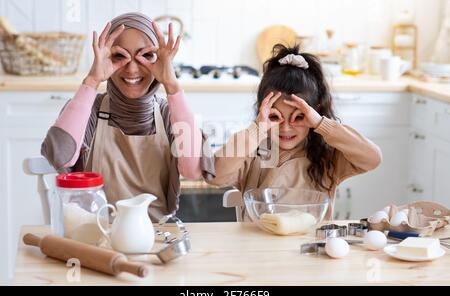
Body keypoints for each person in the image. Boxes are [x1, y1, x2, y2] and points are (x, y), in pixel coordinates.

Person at [41, 12, 214, 221]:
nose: (132, 69)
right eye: (119, 56)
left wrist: (172, 86)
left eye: (146, 56)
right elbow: (60, 157)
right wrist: (92, 81)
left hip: (155, 236)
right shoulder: (90, 109)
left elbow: (193, 171)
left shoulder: (168, 113)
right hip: (95, 236)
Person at [206, 44, 382, 220]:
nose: (286, 128)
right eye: (276, 117)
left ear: (314, 114)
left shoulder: (327, 158)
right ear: (263, 112)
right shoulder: (253, 151)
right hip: (258, 246)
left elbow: (372, 158)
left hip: (310, 246)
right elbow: (215, 175)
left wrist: (322, 124)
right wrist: (257, 129)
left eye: (298, 117)